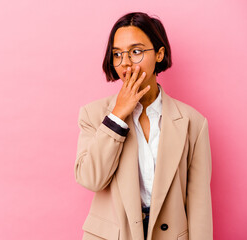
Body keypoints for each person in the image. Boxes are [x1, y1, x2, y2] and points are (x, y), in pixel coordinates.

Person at [74, 12, 213, 240]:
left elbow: (199, 204)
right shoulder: (93, 114)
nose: (125, 62)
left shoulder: (193, 123)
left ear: (159, 54)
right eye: (117, 54)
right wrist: (117, 116)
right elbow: (91, 179)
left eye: (136, 51)